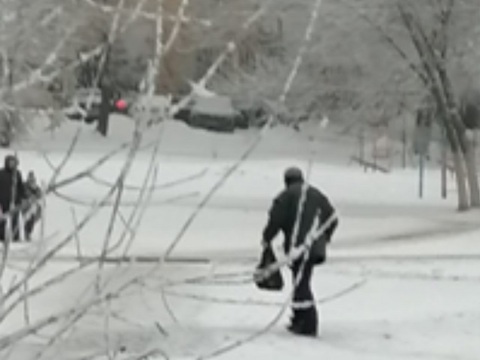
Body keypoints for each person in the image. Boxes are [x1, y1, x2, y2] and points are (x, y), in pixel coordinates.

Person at [261, 167, 338, 337]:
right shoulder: (316, 194)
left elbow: (276, 219)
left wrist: (267, 238)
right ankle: (299, 318)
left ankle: (308, 322)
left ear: (287, 180)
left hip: (299, 247)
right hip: (313, 246)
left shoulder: (286, 196)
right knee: (301, 281)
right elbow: (332, 217)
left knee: (301, 283)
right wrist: (324, 237)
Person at [0, 155, 26, 242]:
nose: (11, 164)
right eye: (10, 162)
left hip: (15, 200)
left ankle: (15, 237)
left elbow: (21, 187)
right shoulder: (1, 173)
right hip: (4, 200)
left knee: (15, 219)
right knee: (4, 218)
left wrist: (23, 197)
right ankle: (2, 237)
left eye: (13, 162)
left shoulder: (17, 174)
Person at [23, 171, 42, 241]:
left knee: (32, 220)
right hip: (25, 206)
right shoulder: (24, 186)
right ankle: (26, 234)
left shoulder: (36, 187)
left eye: (33, 179)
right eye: (30, 179)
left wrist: (36, 194)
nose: (32, 180)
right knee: (26, 220)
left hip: (34, 207)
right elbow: (24, 193)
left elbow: (40, 194)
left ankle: (28, 233)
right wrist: (30, 197)